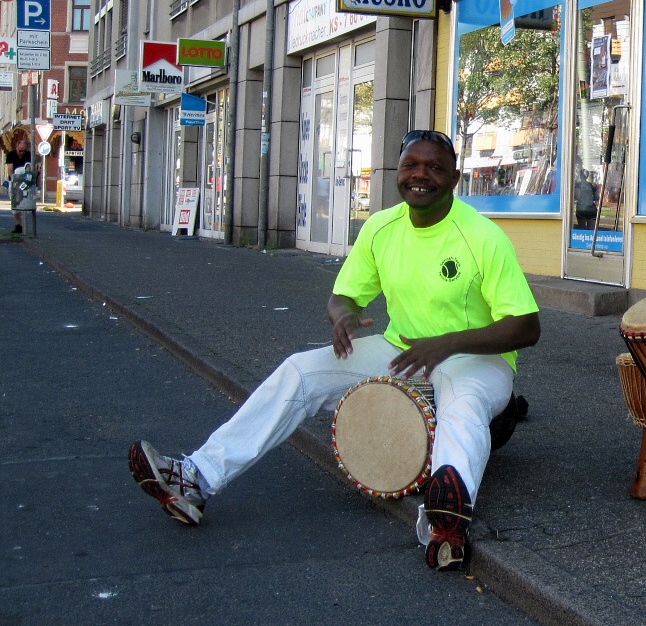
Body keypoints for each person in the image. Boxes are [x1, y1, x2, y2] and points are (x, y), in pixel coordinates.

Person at [128, 130, 542, 570]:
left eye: (435, 167)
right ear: (397, 173)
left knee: (462, 407)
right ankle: (195, 478)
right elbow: (345, 295)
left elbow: (527, 327)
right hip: (403, 351)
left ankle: (446, 527)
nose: (421, 176)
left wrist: (447, 344)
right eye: (411, 166)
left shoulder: (482, 236)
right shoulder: (381, 228)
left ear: (455, 177)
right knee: (301, 371)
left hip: (475, 359)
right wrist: (341, 315)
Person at [5, 137, 32, 234]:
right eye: (20, 151)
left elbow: (30, 168)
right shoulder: (11, 155)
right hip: (14, 182)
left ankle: (24, 226)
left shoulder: (29, 155)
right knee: (15, 204)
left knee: (26, 203)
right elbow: (10, 170)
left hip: (25, 182)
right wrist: (14, 181)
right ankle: (18, 225)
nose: (22, 153)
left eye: (24, 151)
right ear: (17, 148)